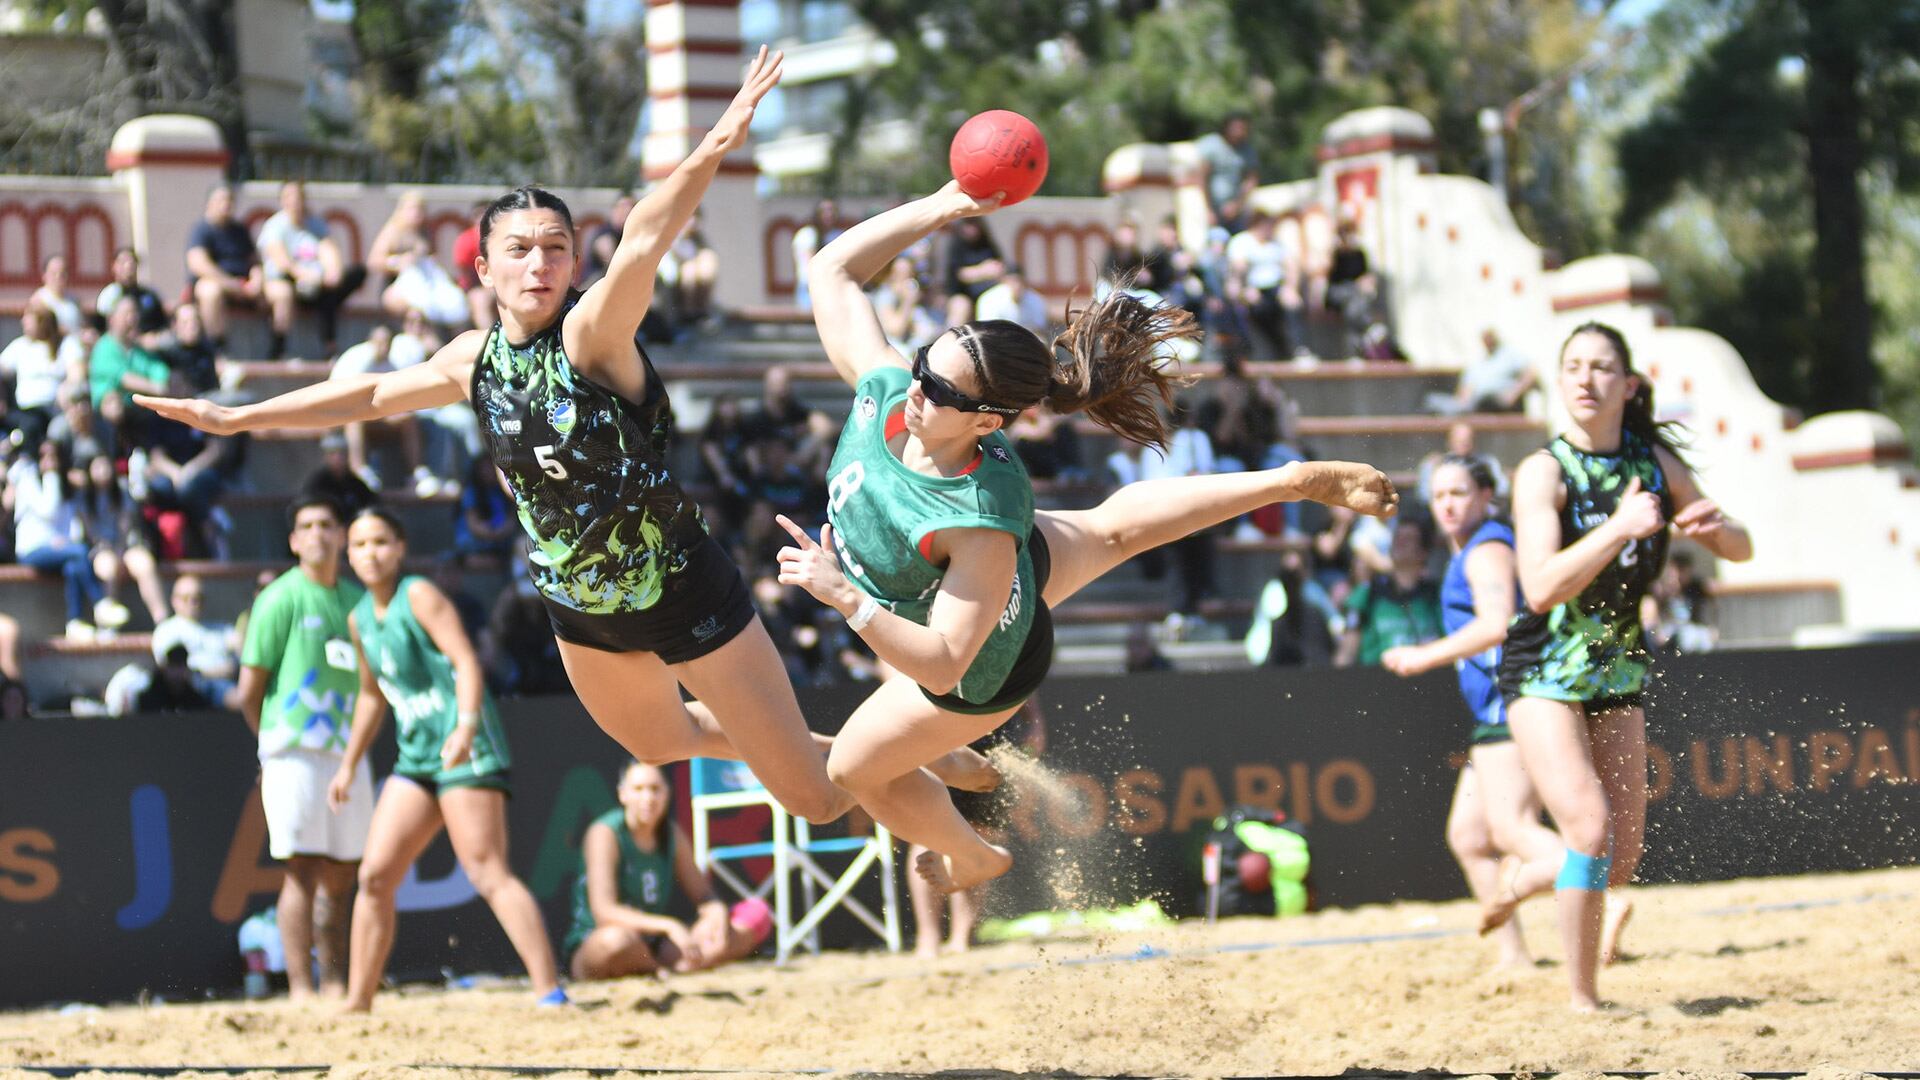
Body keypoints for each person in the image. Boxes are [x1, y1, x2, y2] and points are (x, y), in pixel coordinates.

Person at [136, 51, 991, 834]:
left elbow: (648, 241)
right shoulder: (471, 357)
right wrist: (239, 416)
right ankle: (851, 742)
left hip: (686, 589)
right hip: (582, 613)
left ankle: (887, 756)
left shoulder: (591, 336)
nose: (539, 263)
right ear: (483, 268)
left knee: (813, 799)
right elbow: (361, 392)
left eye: (556, 247)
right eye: (519, 250)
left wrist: (715, 144)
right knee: (661, 742)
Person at [779, 180, 1398, 895]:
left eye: (941, 392)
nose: (918, 389)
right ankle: (1288, 479)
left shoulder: (974, 517)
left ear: (987, 422)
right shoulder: (890, 391)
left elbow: (944, 665)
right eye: (923, 367)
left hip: (982, 663)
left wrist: (843, 597)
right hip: (966, 580)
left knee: (851, 770)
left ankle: (974, 853)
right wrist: (947, 205)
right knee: (1110, 532)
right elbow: (832, 270)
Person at [1493, 321, 1753, 1011]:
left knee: (1623, 854)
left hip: (1616, 665)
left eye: (1601, 367)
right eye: (1573, 366)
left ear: (1628, 385)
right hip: (1543, 664)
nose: (1585, 379)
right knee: (1587, 829)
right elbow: (1542, 585)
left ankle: (1522, 880)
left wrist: (1716, 530)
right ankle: (1584, 999)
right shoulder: (1544, 470)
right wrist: (1617, 527)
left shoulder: (1652, 462)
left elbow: (1741, 549)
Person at [329, 507, 564, 1010]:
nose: (370, 553)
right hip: (417, 757)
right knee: (374, 877)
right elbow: (372, 695)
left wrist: (465, 725)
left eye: (380, 542)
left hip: (465, 744)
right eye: (359, 545)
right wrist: (349, 763)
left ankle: (550, 990)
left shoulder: (420, 594)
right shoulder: (358, 618)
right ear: (347, 555)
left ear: (400, 548)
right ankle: (358, 1002)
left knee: (487, 871)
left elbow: (465, 660)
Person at [1381, 456, 1561, 971]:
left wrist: (1425, 655)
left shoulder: (1486, 548)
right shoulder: (1473, 549)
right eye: (1439, 497)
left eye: (1459, 493)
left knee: (1511, 831)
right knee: (1469, 836)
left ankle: (1593, 884)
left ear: (1486, 495)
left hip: (1514, 702)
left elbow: (1497, 623)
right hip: (1497, 706)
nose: (1448, 505)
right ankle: (1515, 954)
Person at [236, 495, 375, 1001]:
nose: (316, 533)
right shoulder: (277, 598)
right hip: (294, 750)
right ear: (294, 540)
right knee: (301, 868)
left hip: (348, 754)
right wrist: (268, 748)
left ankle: (335, 983)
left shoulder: (358, 602)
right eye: (306, 526)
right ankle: (300, 989)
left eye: (326, 524)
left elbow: (371, 689)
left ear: (341, 536)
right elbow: (249, 690)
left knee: (343, 873)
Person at [565, 760, 773, 980]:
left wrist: (715, 914)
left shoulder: (672, 834)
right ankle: (665, 969)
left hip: (655, 945)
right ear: (622, 794)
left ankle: (669, 967)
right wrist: (669, 925)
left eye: (655, 789)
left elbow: (704, 895)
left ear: (667, 793)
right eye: (638, 789)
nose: (648, 798)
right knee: (615, 941)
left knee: (756, 914)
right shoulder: (605, 832)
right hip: (597, 944)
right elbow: (604, 911)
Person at [909, 696, 1045, 957]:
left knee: (979, 837)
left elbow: (1026, 689)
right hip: (938, 736)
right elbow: (895, 684)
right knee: (927, 836)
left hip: (992, 740)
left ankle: (962, 936)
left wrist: (1037, 727)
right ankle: (928, 937)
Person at [7, 438, 130, 638]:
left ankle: (75, 622)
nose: (49, 461)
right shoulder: (28, 481)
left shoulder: (67, 486)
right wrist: (51, 476)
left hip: (63, 551)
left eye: (53, 456)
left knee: (74, 567)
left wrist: (66, 540)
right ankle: (100, 603)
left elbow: (72, 522)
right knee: (79, 552)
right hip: (32, 550)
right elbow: (49, 510)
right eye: (44, 456)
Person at [258, 180, 370, 359]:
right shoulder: (275, 226)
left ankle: (330, 347)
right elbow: (281, 261)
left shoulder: (315, 225)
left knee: (349, 279)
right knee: (283, 295)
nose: (295, 202)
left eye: (299, 197)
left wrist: (332, 272)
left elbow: (328, 250)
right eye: (290, 197)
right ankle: (279, 349)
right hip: (288, 279)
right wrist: (306, 275)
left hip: (317, 283)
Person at [1335, 515, 1443, 668]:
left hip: (1430, 678)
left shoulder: (1436, 594)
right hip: (1378, 683)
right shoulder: (1365, 595)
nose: (1399, 542)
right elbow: (1346, 653)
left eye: (1409, 538)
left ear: (1423, 552)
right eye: (1397, 536)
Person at [368, 192, 470, 329]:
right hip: (396, 286)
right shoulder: (393, 231)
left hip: (426, 288)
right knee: (415, 313)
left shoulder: (425, 233)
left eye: (420, 210)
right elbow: (374, 261)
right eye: (412, 209)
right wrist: (397, 262)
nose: (416, 214)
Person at [186, 184, 266, 349]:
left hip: (243, 285)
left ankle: (280, 348)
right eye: (221, 200)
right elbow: (198, 263)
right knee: (210, 292)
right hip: (220, 284)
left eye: (230, 200)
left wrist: (257, 280)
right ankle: (216, 347)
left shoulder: (239, 231)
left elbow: (254, 261)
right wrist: (230, 283)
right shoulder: (201, 230)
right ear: (210, 203)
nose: (226, 204)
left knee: (280, 292)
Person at [151, 573, 241, 708]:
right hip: (194, 688)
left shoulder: (221, 628)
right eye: (186, 598)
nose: (193, 603)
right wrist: (213, 672)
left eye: (198, 598)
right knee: (236, 696)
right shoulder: (167, 630)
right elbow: (170, 669)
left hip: (230, 684)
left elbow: (243, 654)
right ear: (174, 600)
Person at [1, 303, 66, 451]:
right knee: (29, 424)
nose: (23, 322)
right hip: (24, 410)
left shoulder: (62, 346)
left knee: (32, 425)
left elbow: (76, 374)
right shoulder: (20, 346)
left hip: (52, 409)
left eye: (28, 319)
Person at [1429, 328, 1538, 416]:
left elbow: (1531, 373)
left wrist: (1513, 394)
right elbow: (1465, 392)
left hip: (1496, 404)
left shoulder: (1509, 355)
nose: (1488, 340)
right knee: (1432, 400)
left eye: (1490, 336)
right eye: (1485, 337)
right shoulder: (1478, 364)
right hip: (1476, 406)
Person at [1195, 112, 1259, 232]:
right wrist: (1208, 209)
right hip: (1212, 208)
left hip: (1236, 211)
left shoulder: (1247, 150)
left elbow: (1251, 180)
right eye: (1236, 127)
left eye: (1243, 128)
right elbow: (1202, 177)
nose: (1240, 131)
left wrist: (1237, 205)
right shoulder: (1212, 145)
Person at [94, 247, 170, 341]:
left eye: (132, 262)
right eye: (123, 262)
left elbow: (163, 324)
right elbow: (99, 329)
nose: (128, 266)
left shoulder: (149, 295)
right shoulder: (108, 296)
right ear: (114, 266)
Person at [973, 264, 1049, 337]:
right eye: (1012, 281)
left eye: (1019, 281)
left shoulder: (1035, 300)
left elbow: (1039, 329)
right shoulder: (989, 299)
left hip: (1026, 340)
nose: (1016, 286)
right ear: (1004, 282)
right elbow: (987, 330)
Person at [28, 254, 85, 335]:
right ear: (44, 276)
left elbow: (82, 325)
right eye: (54, 273)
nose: (58, 277)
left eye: (62, 273)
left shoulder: (74, 299)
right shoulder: (39, 299)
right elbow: (35, 330)